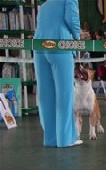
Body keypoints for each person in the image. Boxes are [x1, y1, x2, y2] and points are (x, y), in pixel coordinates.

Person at [33, 0, 82, 147]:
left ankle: (50, 139)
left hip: (39, 46)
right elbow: (71, 19)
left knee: (46, 95)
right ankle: (66, 139)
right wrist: (78, 36)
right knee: (64, 95)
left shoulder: (45, 4)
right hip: (60, 43)